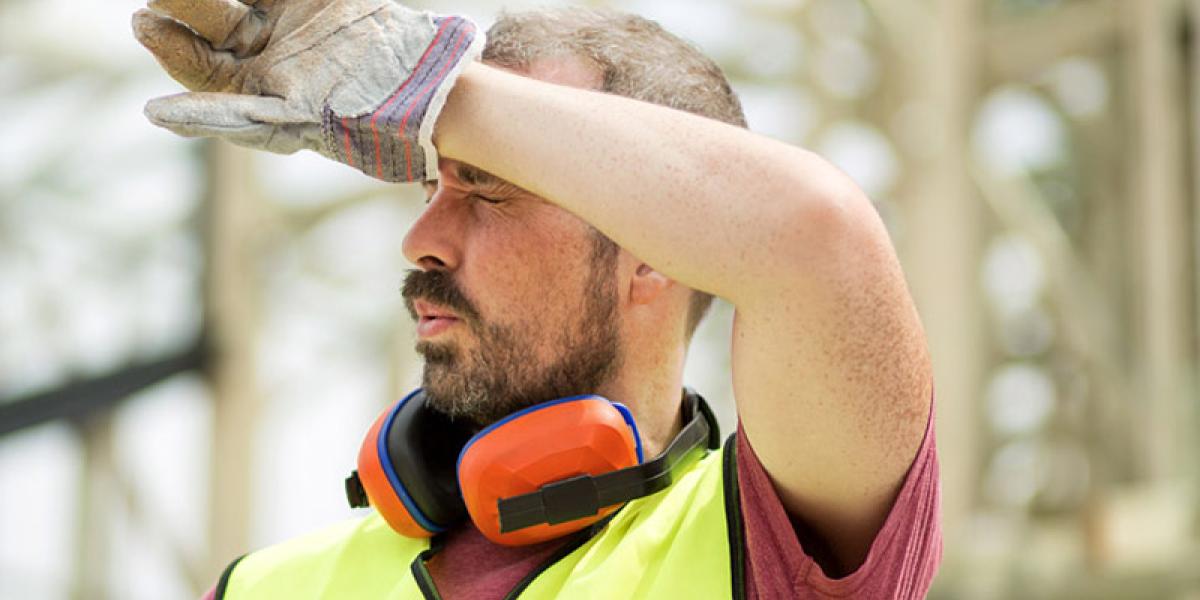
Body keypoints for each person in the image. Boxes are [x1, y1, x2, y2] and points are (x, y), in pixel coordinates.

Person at [133, 1, 941, 598]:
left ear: (655, 253)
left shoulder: (772, 553)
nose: (420, 240)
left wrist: (431, 91)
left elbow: (813, 234)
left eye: (489, 189)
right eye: (429, 184)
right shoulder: (262, 589)